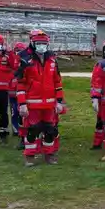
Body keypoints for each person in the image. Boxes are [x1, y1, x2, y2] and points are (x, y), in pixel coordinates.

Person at [15, 29, 65, 167]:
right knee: (32, 131)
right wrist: (22, 104)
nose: (41, 46)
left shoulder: (52, 60)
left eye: (44, 43)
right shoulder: (24, 60)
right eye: (38, 43)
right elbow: (20, 84)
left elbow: (57, 82)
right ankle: (30, 156)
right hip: (32, 104)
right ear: (32, 43)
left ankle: (49, 154)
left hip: (49, 104)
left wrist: (59, 101)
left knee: (50, 130)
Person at [91, 41, 105, 150]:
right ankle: (97, 142)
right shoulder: (99, 64)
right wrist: (94, 97)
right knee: (100, 120)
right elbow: (95, 80)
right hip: (102, 96)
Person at [9, 41, 27, 149]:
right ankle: (16, 131)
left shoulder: (26, 63)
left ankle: (23, 134)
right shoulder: (12, 62)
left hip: (23, 95)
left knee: (22, 115)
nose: (18, 52)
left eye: (20, 50)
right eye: (16, 50)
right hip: (12, 94)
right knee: (14, 112)